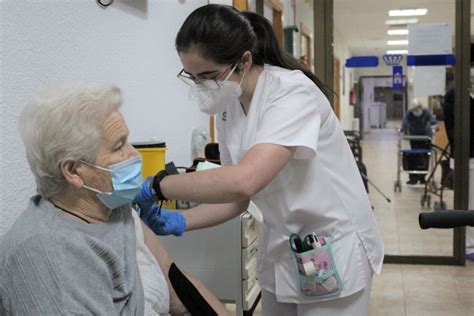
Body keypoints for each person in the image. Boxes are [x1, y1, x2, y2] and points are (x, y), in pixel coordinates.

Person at [135, 5, 384, 315]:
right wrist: (182, 221)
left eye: (209, 76)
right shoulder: (230, 105)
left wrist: (159, 185)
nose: (202, 87)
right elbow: (237, 197)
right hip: (283, 246)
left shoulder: (291, 94)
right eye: (194, 77)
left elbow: (244, 181)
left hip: (331, 244)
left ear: (245, 60)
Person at [0, 83, 230, 315]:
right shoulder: (44, 258)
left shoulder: (114, 207)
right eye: (119, 146)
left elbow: (174, 281)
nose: (135, 154)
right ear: (74, 171)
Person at [443, 84, 474, 261]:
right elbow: (457, 130)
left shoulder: (463, 95)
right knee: (468, 203)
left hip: (468, 155)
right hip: (466, 158)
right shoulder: (455, 96)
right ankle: (468, 244)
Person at [401, 98, 439, 185]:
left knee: (425, 157)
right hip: (414, 137)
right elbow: (404, 122)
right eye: (414, 109)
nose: (416, 111)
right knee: (414, 157)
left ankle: (422, 178)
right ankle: (413, 178)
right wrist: (402, 128)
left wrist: (435, 126)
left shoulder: (426, 111)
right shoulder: (410, 113)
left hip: (425, 137)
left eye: (418, 108)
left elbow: (434, 121)